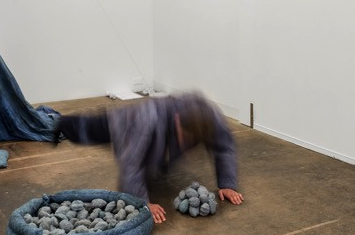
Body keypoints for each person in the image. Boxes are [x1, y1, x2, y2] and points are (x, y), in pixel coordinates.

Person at [55, 92, 244, 223]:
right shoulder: (146, 119)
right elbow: (131, 163)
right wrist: (142, 202)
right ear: (177, 120)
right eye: (184, 137)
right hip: (125, 122)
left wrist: (227, 183)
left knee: (155, 156)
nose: (185, 145)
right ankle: (55, 123)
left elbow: (225, 147)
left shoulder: (211, 117)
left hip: (158, 128)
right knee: (87, 129)